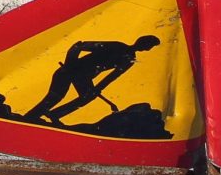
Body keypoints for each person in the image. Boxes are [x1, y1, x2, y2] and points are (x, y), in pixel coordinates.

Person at [23, 34, 159, 127]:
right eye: (148, 44)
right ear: (141, 41)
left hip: (83, 77)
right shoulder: (117, 46)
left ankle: (54, 114)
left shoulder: (129, 60)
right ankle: (28, 119)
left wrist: (97, 89)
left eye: (150, 46)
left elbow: (111, 77)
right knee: (55, 97)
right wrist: (70, 65)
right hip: (69, 70)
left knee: (87, 97)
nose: (147, 47)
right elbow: (78, 46)